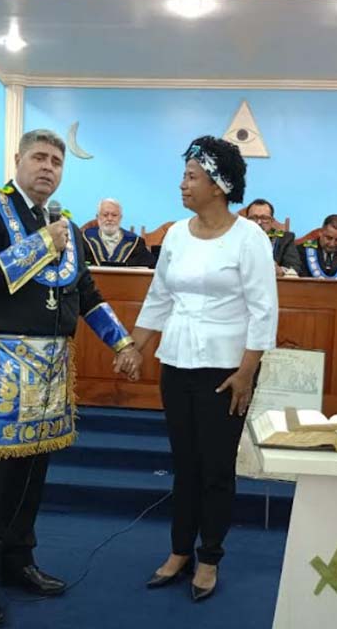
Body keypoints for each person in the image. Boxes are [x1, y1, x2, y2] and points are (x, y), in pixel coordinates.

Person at [0, 129, 137, 626]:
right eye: (39, 157)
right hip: (1, 365)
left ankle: (17, 561)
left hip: (52, 369)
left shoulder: (69, 228)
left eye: (57, 160)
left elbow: (88, 293)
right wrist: (40, 243)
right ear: (17, 159)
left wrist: (122, 342)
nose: (48, 167)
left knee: (33, 477)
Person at [122, 136, 278, 603]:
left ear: (219, 185)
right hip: (178, 365)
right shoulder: (174, 234)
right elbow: (160, 297)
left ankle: (209, 557)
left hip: (226, 373)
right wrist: (136, 347)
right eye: (184, 175)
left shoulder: (249, 237)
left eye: (192, 176)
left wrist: (247, 374)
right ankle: (178, 551)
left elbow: (263, 310)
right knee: (184, 467)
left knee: (215, 470)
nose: (183, 184)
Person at [81, 198, 156, 268]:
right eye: (105, 215)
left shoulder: (136, 242)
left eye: (114, 215)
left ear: (120, 218)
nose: (110, 219)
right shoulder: (84, 239)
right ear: (97, 217)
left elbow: (150, 268)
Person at [245, 198, 303, 277]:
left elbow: (294, 268)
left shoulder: (285, 239)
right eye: (253, 218)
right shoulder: (236, 238)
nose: (258, 222)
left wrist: (280, 271)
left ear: (272, 221)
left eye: (264, 218)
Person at [298, 214, 337, 279]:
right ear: (321, 232)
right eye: (329, 238)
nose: (332, 244)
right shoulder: (303, 249)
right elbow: (303, 281)